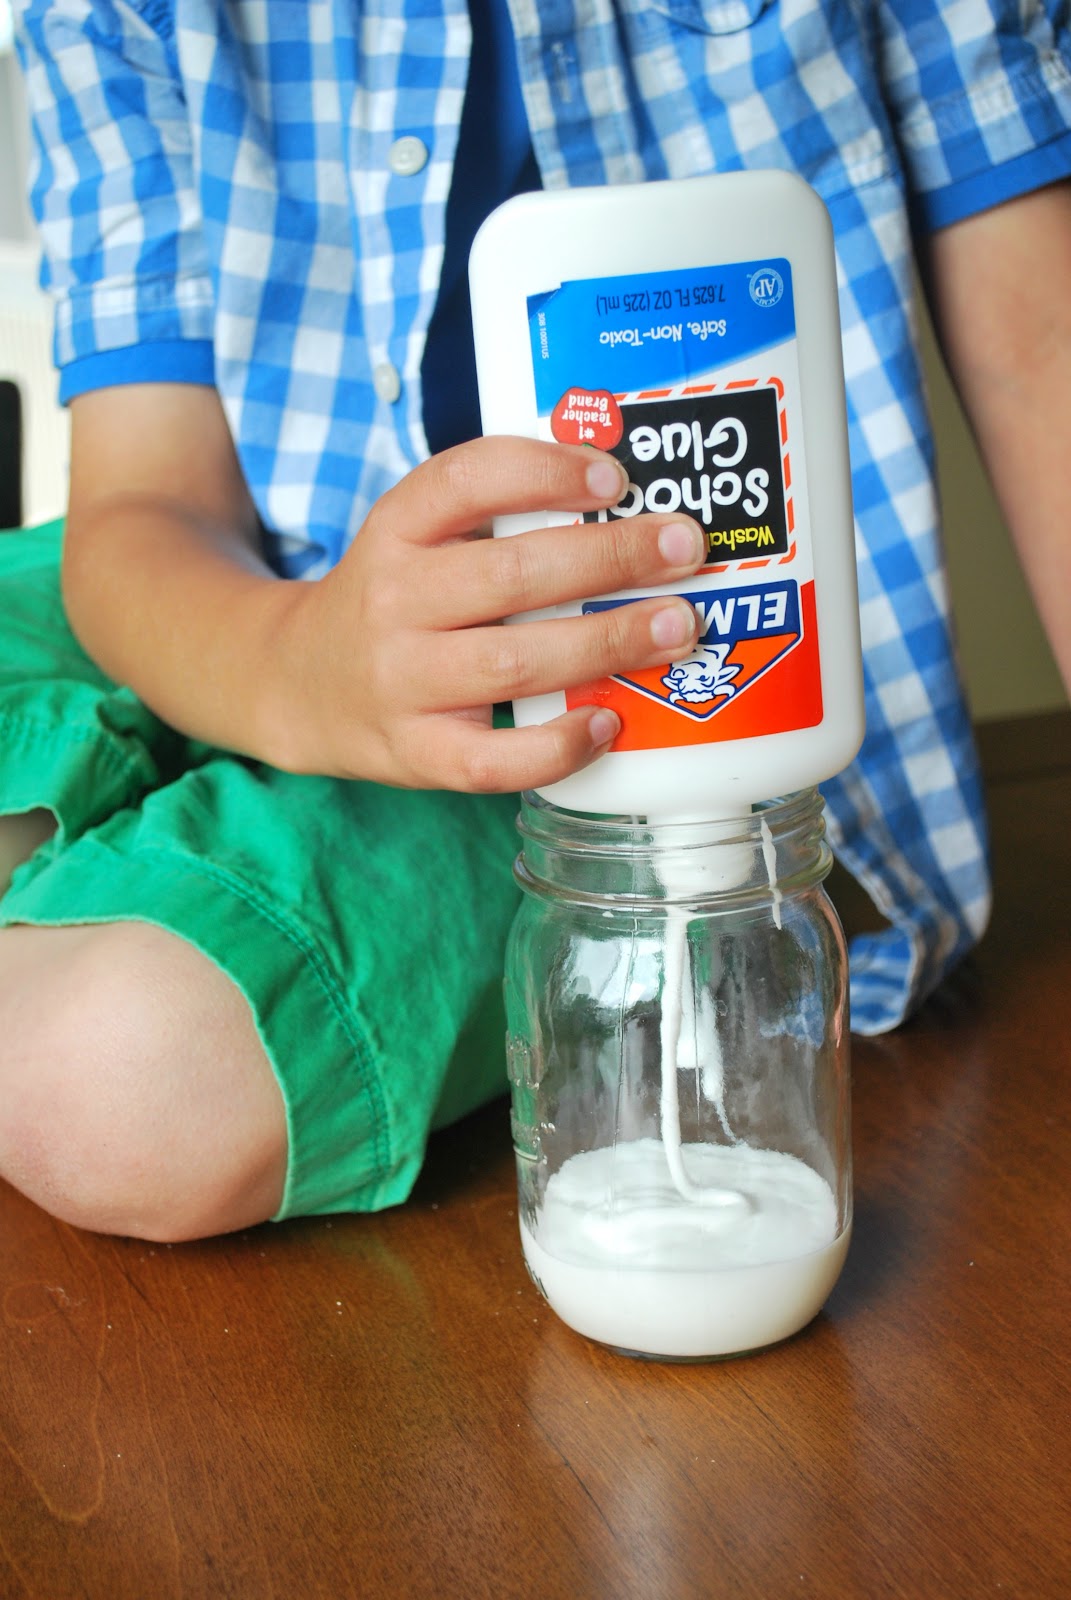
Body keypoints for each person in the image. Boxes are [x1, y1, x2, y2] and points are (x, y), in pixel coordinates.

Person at [2, 0, 1069, 1243]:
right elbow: (147, 508)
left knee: (114, 1080)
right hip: (258, 600)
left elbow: (1042, 351)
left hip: (609, 717)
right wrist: (301, 667)